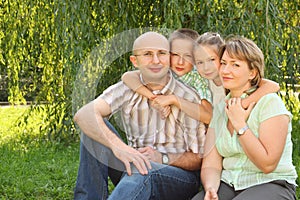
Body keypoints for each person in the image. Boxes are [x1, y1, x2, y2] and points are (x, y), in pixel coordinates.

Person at [73, 31, 207, 200]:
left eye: (162, 53)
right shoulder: (127, 87)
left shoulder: (188, 97)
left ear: (168, 58)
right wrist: (120, 147)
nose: (156, 60)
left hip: (179, 177)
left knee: (145, 169)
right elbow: (83, 115)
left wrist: (163, 158)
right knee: (95, 127)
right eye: (147, 54)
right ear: (135, 61)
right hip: (134, 168)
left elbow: (198, 158)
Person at [192, 36, 297, 200]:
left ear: (252, 72)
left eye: (235, 65)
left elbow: (267, 164)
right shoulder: (220, 109)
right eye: (224, 63)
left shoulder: (269, 103)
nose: (226, 70)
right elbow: (211, 163)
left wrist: (240, 125)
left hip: (270, 183)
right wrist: (211, 188)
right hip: (230, 184)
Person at [122, 28, 213, 124]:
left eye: (188, 56)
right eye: (175, 55)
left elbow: (208, 116)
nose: (180, 62)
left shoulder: (198, 79)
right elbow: (128, 77)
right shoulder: (165, 70)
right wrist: (155, 98)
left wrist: (173, 99)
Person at [194, 32, 280, 107]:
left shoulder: (235, 80)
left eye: (212, 60)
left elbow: (273, 86)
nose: (206, 67)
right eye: (200, 62)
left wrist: (243, 103)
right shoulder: (201, 83)